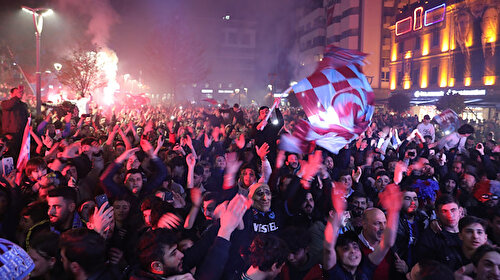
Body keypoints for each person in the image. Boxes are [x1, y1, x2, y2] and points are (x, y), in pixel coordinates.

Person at [323, 183, 402, 279]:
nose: (353, 251)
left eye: (356, 247)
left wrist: (394, 210)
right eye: (345, 248)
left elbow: (387, 243)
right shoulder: (334, 273)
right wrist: (338, 211)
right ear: (337, 255)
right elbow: (328, 248)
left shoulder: (365, 268)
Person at [417, 195, 464, 271]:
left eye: (453, 210)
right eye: (444, 211)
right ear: (437, 213)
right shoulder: (430, 237)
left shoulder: (470, 230)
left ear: (460, 211)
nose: (450, 215)